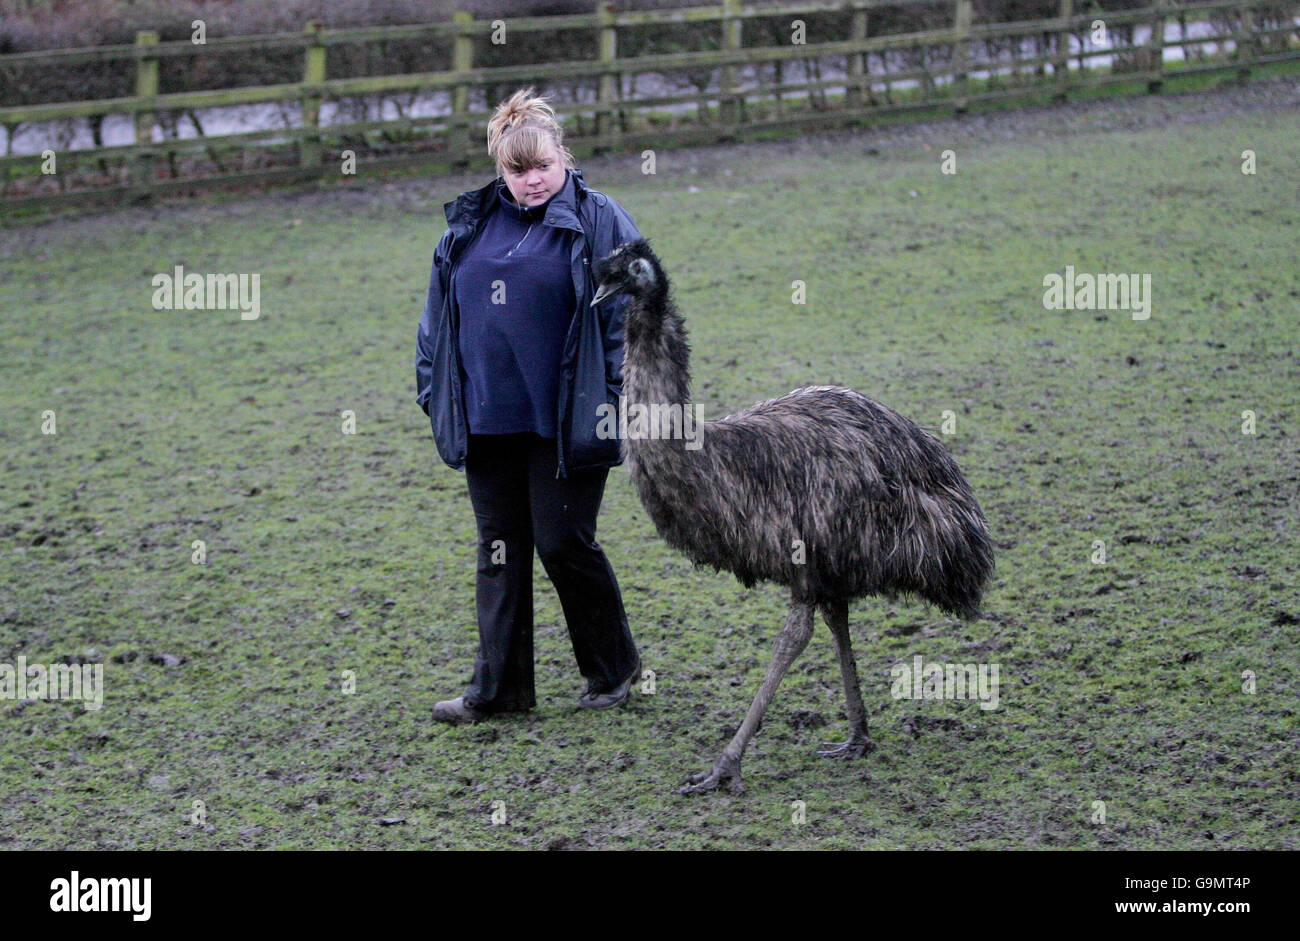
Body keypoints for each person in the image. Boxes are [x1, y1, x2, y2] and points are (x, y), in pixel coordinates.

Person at [415, 87, 642, 723]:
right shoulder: (466, 227)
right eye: (517, 170)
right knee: (499, 551)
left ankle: (613, 670)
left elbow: (636, 309)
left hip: (567, 417)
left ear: (562, 156)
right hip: (487, 417)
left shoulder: (598, 219)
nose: (532, 180)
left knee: (563, 542)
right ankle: (499, 692)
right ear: (500, 168)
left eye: (542, 165)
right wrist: (435, 394)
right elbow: (436, 321)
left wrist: (619, 396)